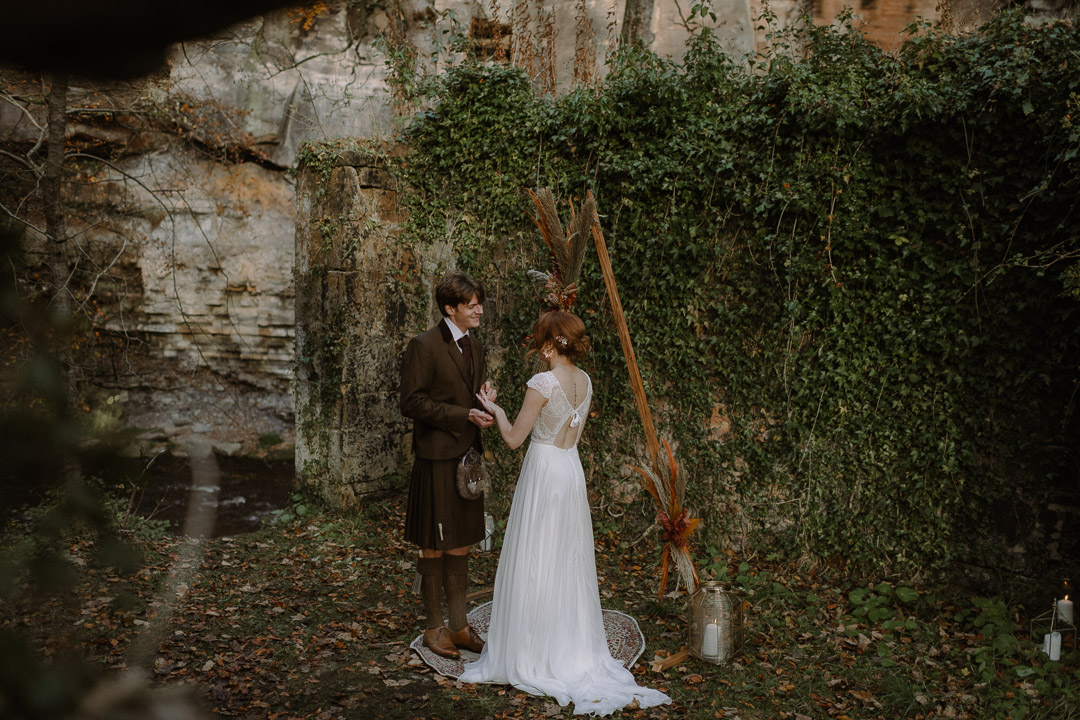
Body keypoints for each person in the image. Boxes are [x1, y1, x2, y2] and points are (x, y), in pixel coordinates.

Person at [459, 311, 671, 716]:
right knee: (566, 559)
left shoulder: (542, 383)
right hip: (570, 470)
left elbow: (513, 438)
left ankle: (533, 646)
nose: (536, 345)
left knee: (536, 556)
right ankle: (567, 640)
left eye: (540, 338)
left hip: (543, 470)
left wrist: (494, 407)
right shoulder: (586, 381)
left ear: (551, 343)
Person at [400, 271, 496, 659]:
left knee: (460, 545)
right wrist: (464, 415)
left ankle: (458, 627)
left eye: (479, 303)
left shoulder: (476, 344)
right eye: (470, 304)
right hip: (437, 459)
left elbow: (468, 393)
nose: (478, 309)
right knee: (434, 548)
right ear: (449, 308)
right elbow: (412, 403)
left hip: (467, 461)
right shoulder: (422, 346)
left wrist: (485, 398)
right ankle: (433, 629)